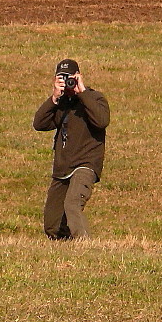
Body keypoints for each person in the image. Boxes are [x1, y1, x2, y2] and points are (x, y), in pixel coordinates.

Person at [33, 59, 110, 240]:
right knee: (52, 225)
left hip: (85, 163)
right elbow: (39, 124)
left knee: (72, 203)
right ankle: (66, 249)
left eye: (71, 78)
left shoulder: (94, 98)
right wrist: (53, 98)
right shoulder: (61, 104)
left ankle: (85, 245)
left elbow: (102, 121)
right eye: (62, 77)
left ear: (79, 76)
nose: (67, 82)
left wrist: (82, 92)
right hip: (63, 168)